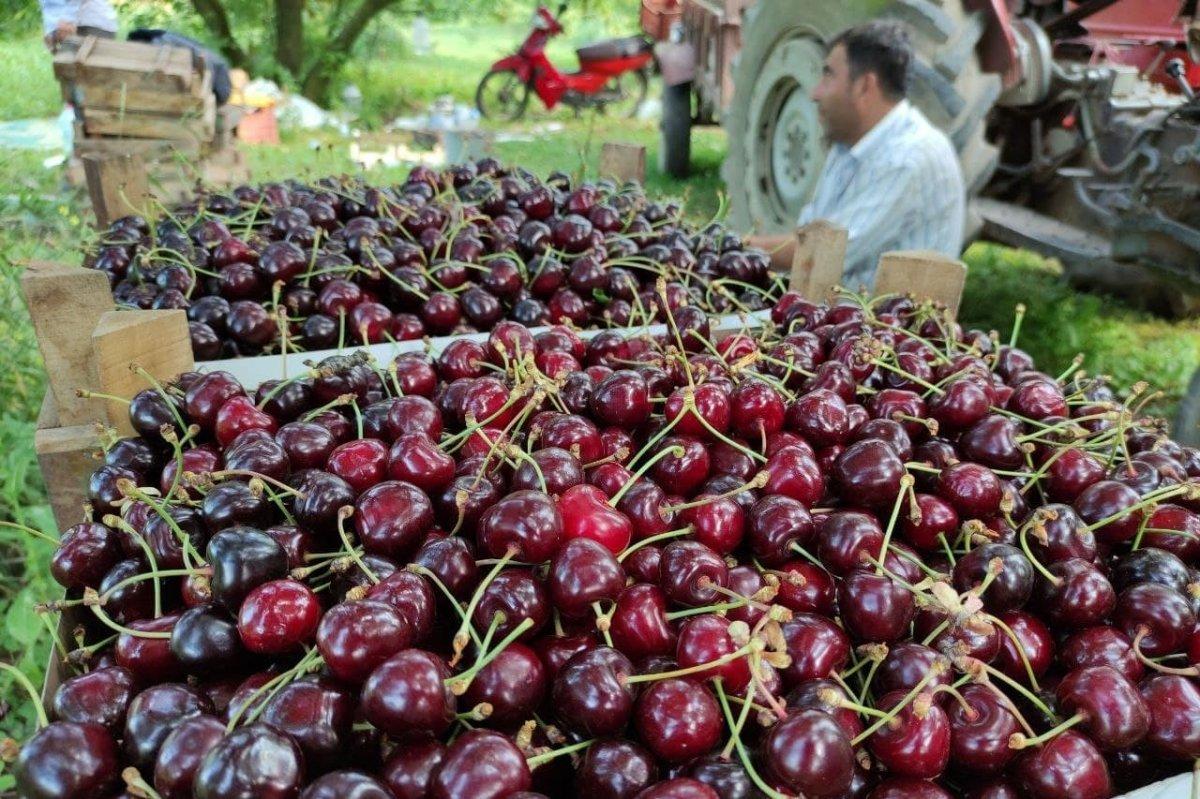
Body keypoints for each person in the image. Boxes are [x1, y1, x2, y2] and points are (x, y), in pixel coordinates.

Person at [751, 21, 965, 289]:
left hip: (886, 326)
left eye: (828, 76)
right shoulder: (847, 142)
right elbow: (812, 236)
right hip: (838, 317)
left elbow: (822, 256)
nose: (815, 93)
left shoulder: (908, 158)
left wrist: (735, 248)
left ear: (865, 86)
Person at [39, 0, 118, 49]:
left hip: (91, 24)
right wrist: (51, 30)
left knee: (92, 72)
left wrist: (68, 19)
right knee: (67, 70)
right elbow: (49, 4)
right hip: (67, 26)